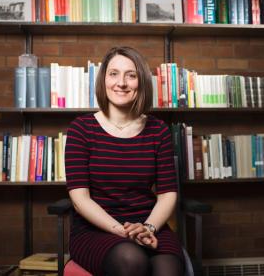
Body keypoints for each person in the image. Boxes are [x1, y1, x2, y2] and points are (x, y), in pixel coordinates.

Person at [65, 46, 184, 276]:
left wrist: (148, 228)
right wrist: (122, 231)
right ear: (103, 80)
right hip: (95, 229)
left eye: (131, 75)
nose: (121, 82)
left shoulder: (158, 130)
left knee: (168, 271)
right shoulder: (81, 129)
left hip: (149, 224)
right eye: (114, 74)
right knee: (131, 260)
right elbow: (80, 200)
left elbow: (168, 194)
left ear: (141, 83)